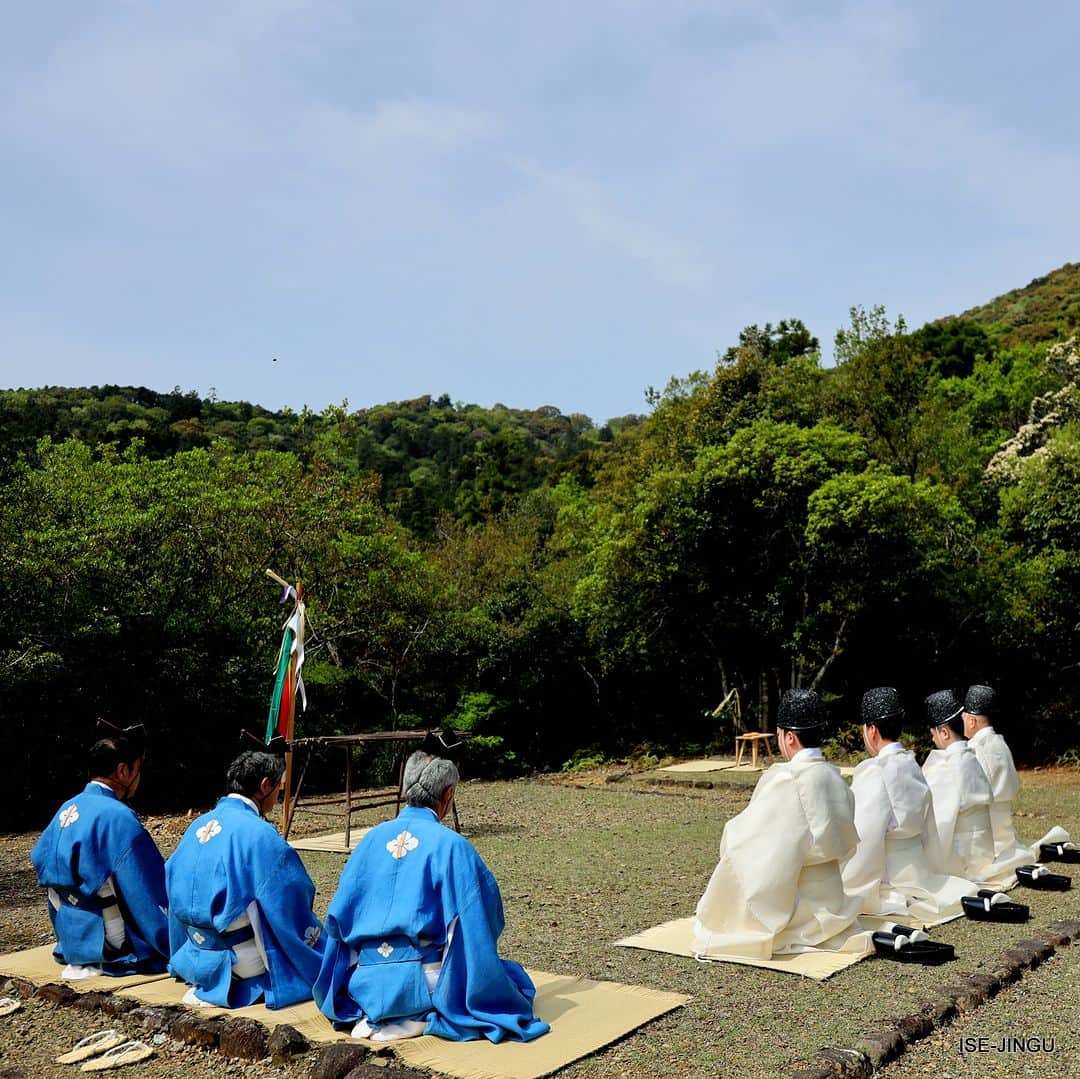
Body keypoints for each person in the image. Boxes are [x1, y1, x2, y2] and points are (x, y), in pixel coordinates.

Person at [314, 751, 549, 1043]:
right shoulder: (451, 846)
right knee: (515, 981)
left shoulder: (369, 841)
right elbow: (484, 917)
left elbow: (337, 920)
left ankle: (382, 1010)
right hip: (423, 981)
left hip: (364, 981)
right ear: (448, 794)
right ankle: (418, 1012)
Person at [693, 689, 868, 960]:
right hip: (834, 896)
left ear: (789, 737)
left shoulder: (788, 780)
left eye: (779, 734)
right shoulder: (836, 778)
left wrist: (731, 836)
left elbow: (752, 842)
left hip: (798, 906)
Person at [165, 749, 324, 1009]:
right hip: (238, 961)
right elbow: (291, 896)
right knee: (327, 958)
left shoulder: (197, 825)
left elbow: (170, 881)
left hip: (192, 953)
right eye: (278, 788)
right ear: (265, 786)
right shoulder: (259, 833)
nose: (278, 795)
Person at [30, 724, 169, 979]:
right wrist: (173, 941)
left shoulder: (66, 808)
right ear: (123, 771)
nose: (139, 777)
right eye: (137, 770)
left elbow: (40, 858)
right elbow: (146, 891)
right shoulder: (118, 817)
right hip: (110, 938)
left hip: (70, 931)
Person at [841, 688, 975, 922]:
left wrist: (846, 883)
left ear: (871, 730)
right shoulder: (912, 763)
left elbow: (864, 839)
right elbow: (931, 828)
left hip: (893, 879)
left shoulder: (876, 772)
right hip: (921, 871)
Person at [962, 685, 1069, 863]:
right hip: (1005, 830)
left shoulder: (974, 749)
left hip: (985, 835)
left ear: (972, 721)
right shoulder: (1000, 743)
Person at [920, 689, 1016, 889]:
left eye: (933, 734)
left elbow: (939, 824)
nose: (932, 740)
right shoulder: (971, 756)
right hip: (986, 848)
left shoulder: (948, 766)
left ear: (944, 732)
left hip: (964, 860)